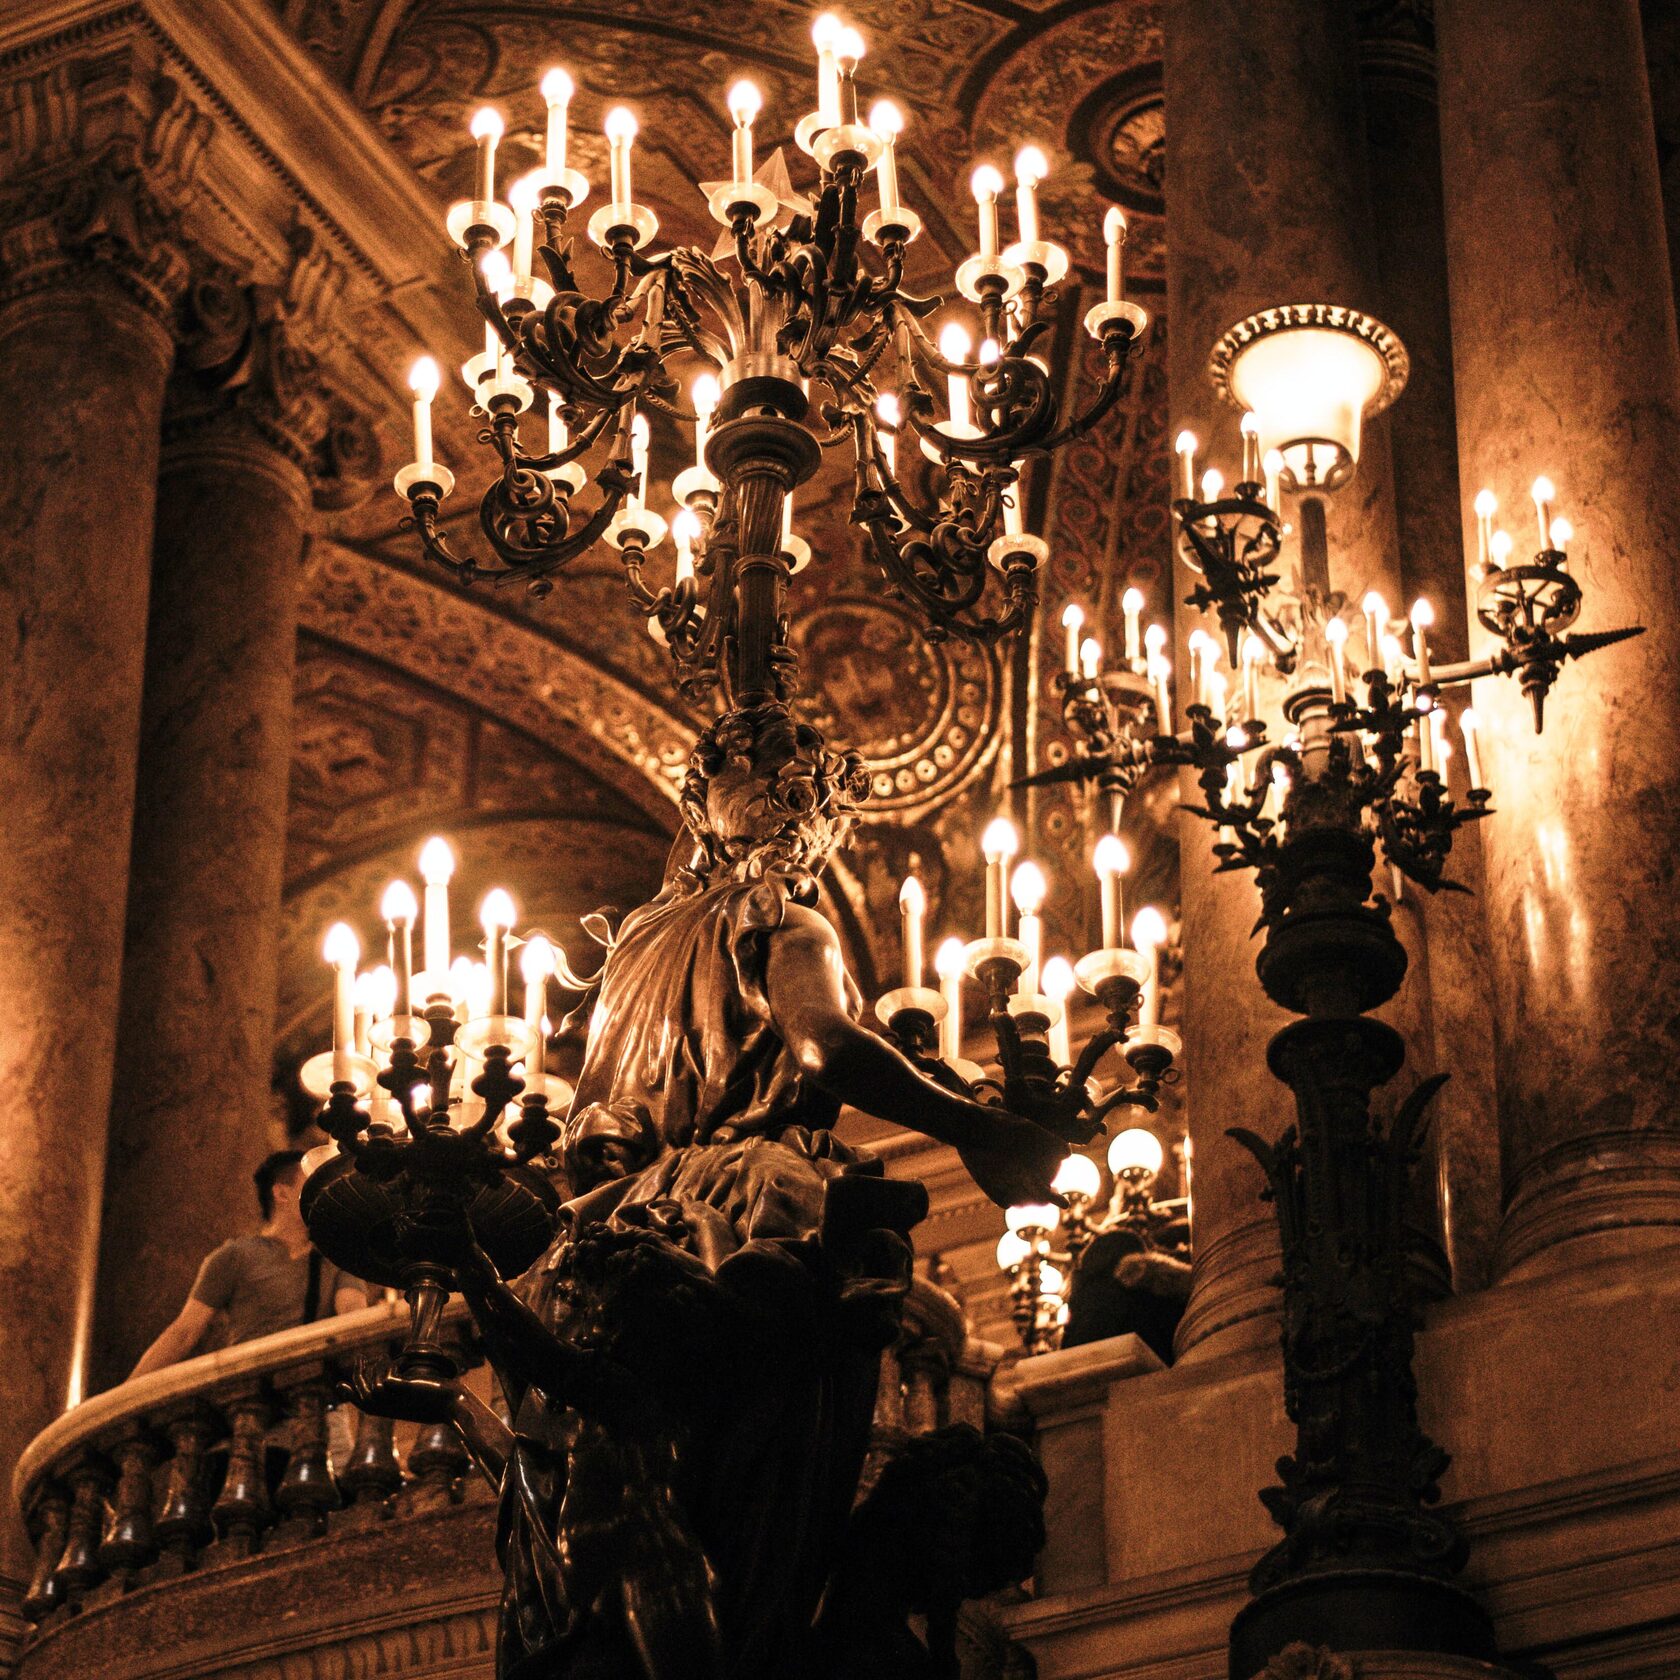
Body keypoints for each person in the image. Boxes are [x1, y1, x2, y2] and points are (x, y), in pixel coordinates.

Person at [130, 1150, 367, 1378]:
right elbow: (184, 1332)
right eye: (313, 1185)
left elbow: (352, 1314)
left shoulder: (336, 1256)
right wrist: (128, 1391)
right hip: (251, 1388)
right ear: (282, 1194)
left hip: (313, 1388)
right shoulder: (236, 1255)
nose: (324, 1194)